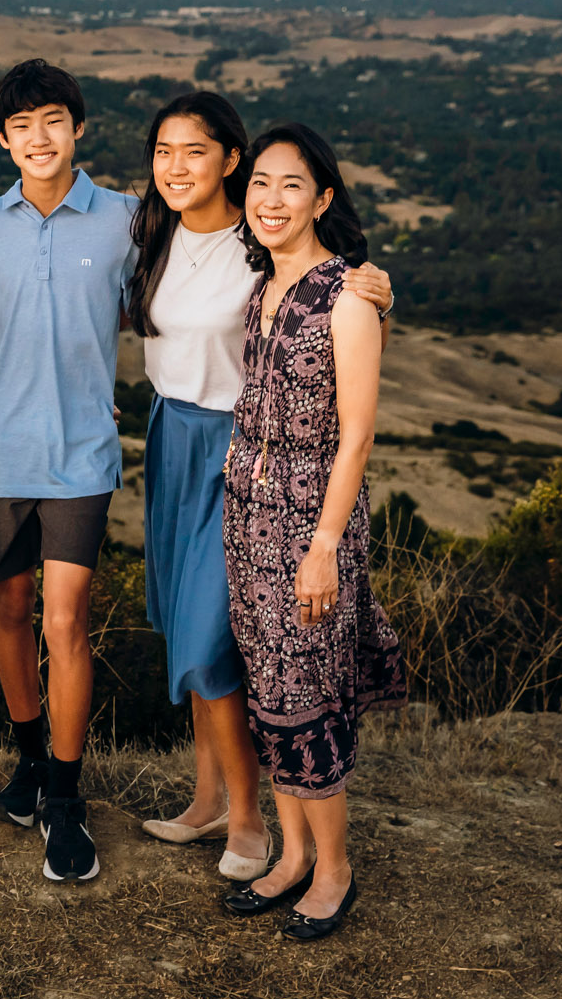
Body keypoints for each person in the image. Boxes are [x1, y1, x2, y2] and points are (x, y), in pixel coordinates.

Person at [125, 94, 395, 888]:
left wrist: (377, 289)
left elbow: (334, 294)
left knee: (215, 645)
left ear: (229, 161)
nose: (177, 167)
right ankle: (209, 797)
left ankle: (250, 818)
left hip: (242, 451)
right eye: (163, 151)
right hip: (172, 439)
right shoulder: (148, 231)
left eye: (196, 151)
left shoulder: (258, 243)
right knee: (189, 625)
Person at [0, 58, 135, 883]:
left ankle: (65, 798)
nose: (38, 138)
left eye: (52, 120)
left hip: (84, 451)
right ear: (2, 139)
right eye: (21, 126)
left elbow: (174, 303)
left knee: (67, 621)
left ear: (78, 126)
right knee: (11, 611)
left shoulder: (128, 218)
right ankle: (28, 766)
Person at [220, 123, 407, 940]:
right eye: (260, 182)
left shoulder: (348, 298)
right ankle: (290, 854)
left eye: (290, 185)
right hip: (248, 518)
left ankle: (333, 869)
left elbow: (357, 434)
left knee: (303, 696)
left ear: (322, 199)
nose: (270, 199)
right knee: (267, 692)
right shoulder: (262, 289)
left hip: (307, 525)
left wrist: (324, 544)